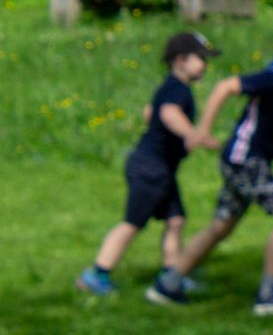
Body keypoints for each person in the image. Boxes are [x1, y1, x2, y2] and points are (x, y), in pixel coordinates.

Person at [148, 21, 273, 316]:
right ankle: (269, 292)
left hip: (249, 160)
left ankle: (168, 285)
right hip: (244, 159)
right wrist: (203, 131)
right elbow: (225, 87)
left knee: (221, 226)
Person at [76, 32, 221, 296]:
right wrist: (192, 134)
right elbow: (167, 114)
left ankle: (172, 272)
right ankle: (96, 275)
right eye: (200, 59)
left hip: (160, 168)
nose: (205, 65)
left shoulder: (171, 86)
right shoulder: (176, 89)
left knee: (176, 219)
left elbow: (150, 112)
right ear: (180, 60)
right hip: (150, 169)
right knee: (133, 223)